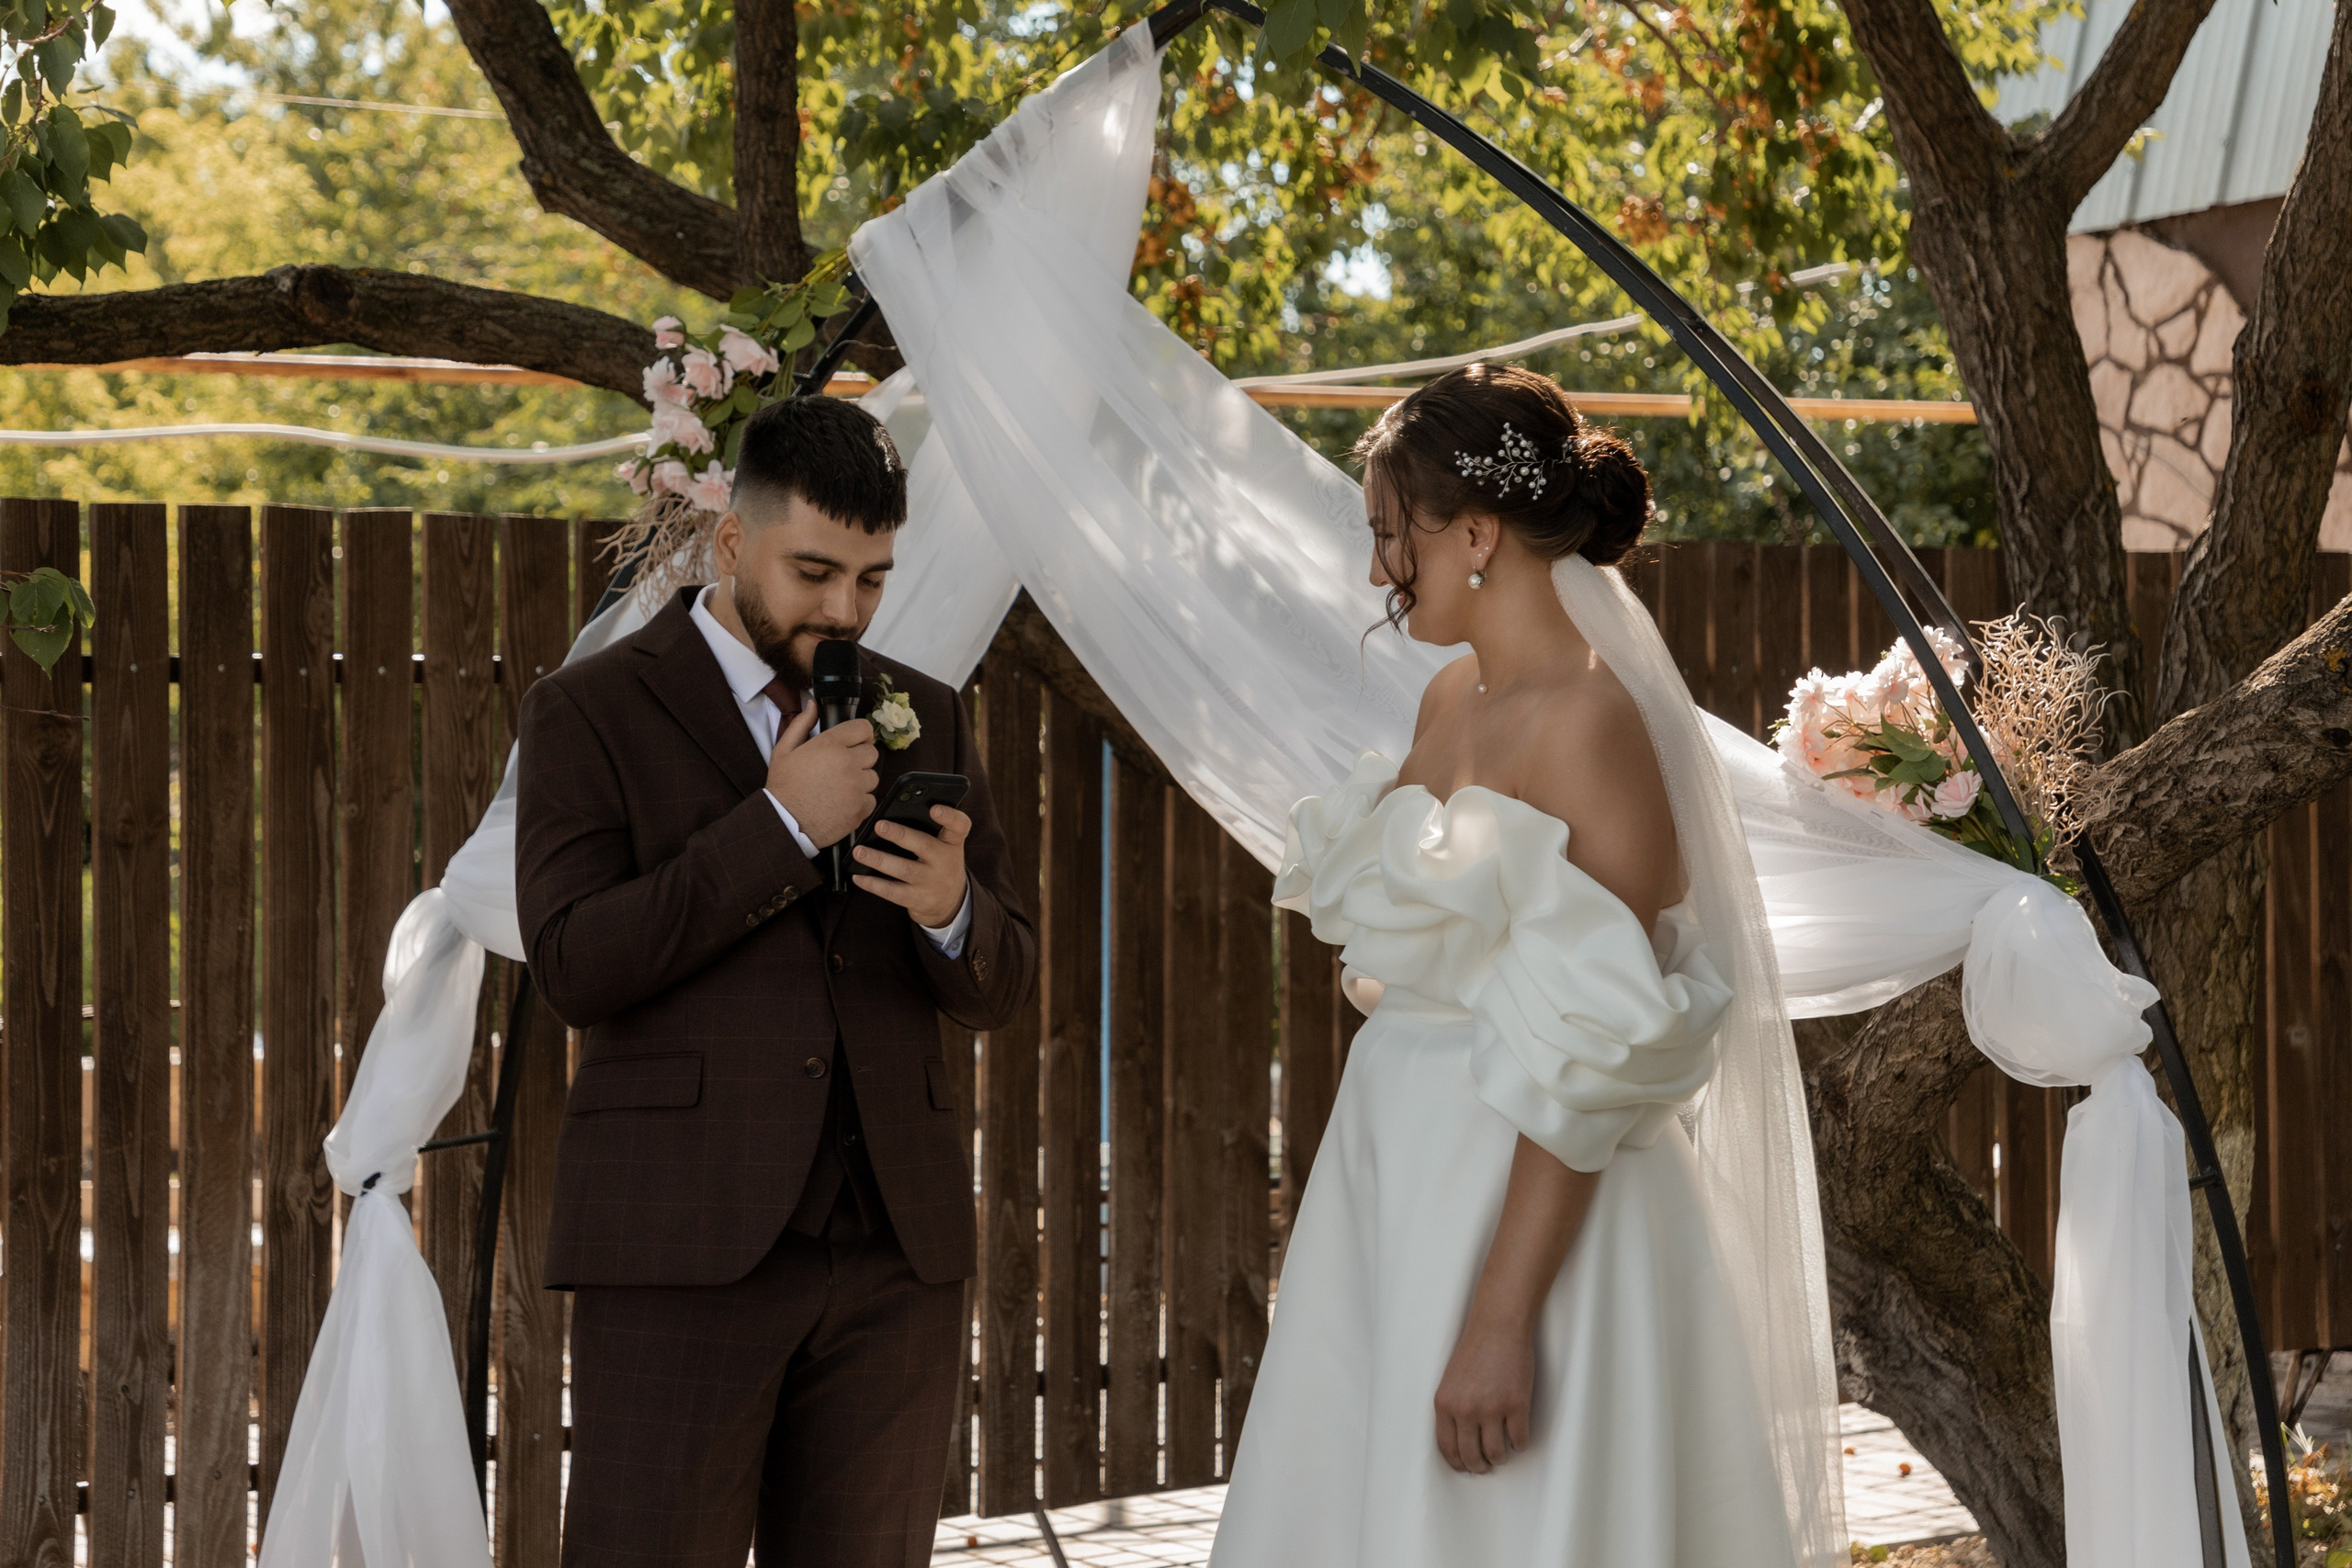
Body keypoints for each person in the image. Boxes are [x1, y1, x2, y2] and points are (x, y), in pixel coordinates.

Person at [1209, 364, 1840, 1567]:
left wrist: (1501, 1314)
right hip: (1405, 1168)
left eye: (1394, 533)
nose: (1378, 569)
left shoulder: (1593, 723)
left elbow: (1598, 1042)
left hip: (1529, 1209)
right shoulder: (1452, 696)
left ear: (1479, 532)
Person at [514, 396, 1037, 1568]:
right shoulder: (587, 711)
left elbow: (1004, 983)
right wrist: (777, 829)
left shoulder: (929, 712)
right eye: (814, 571)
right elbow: (573, 964)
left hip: (895, 1253)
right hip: (678, 1244)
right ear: (730, 540)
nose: (844, 611)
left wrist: (953, 908)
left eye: (872, 578)